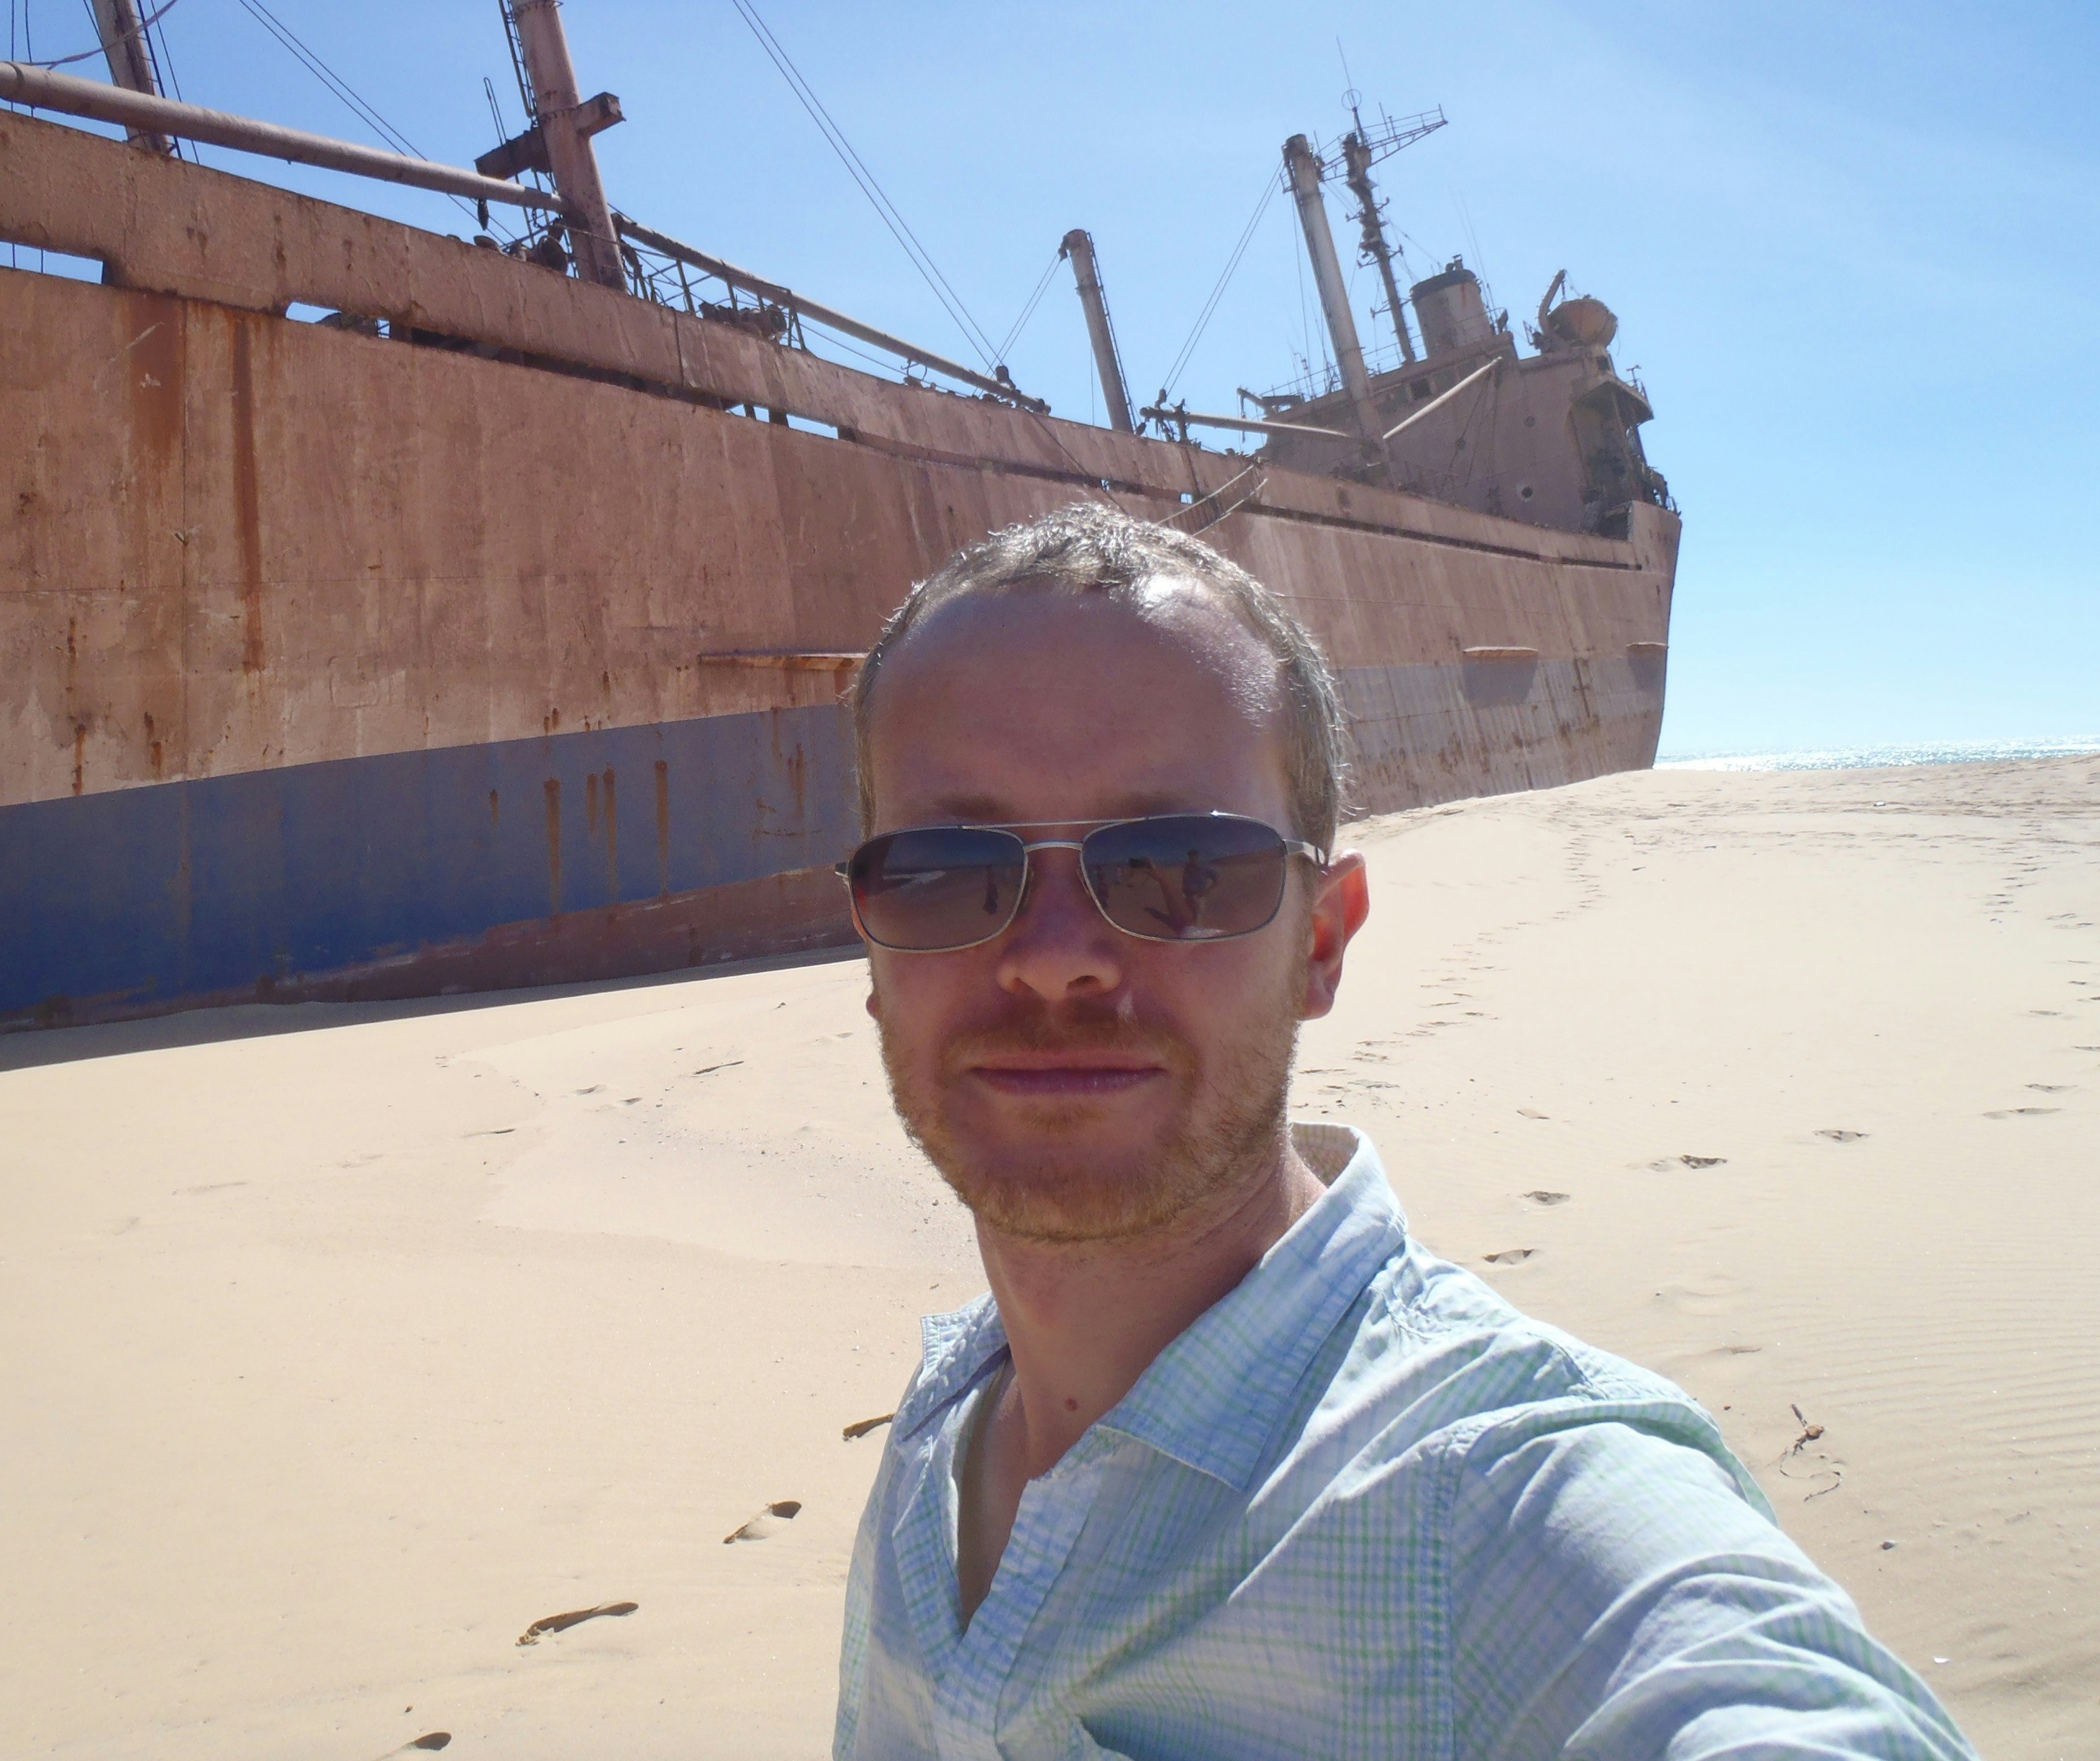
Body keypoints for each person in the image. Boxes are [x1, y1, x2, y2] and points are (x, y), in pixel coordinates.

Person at [832, 505, 1973, 1760]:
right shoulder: (942, 1435)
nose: (1054, 964)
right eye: (945, 868)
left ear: (1320, 942)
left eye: (1182, 868)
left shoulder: (1491, 1497)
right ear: (871, 943)